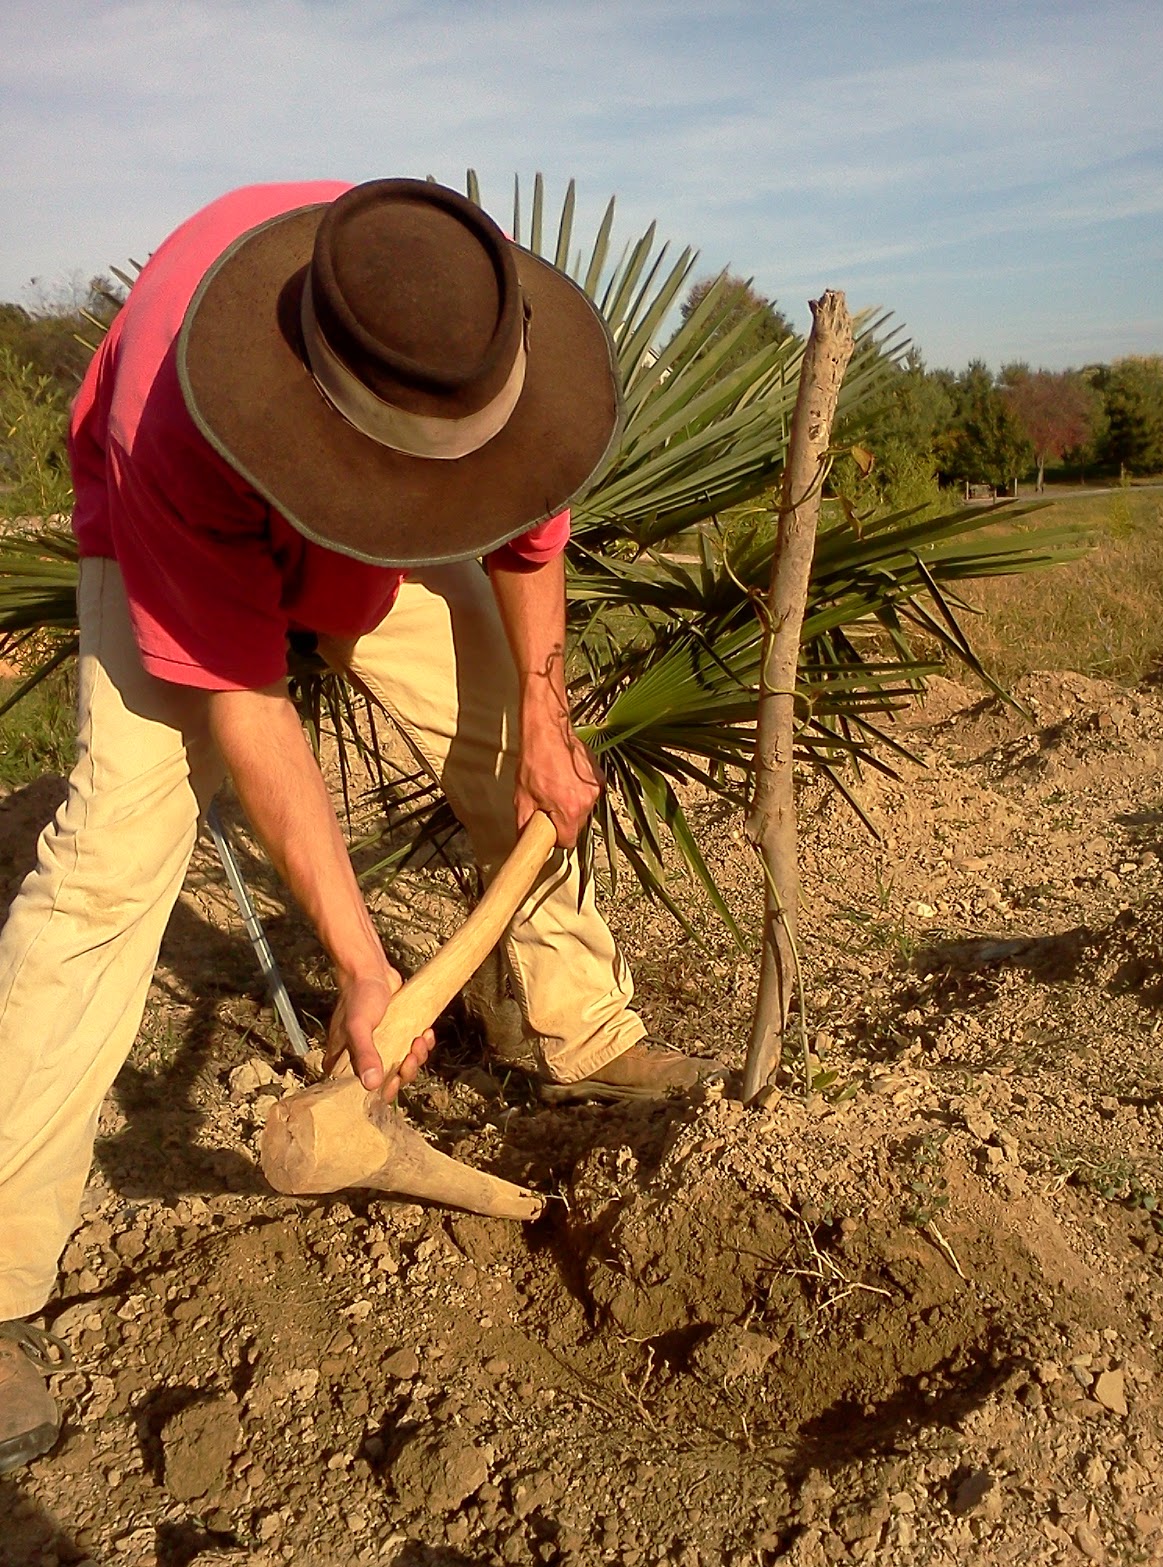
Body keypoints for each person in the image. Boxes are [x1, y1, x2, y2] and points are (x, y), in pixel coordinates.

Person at [0, 178, 709, 1474]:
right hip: (193, 507)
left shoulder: (487, 343)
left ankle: (580, 1029)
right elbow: (246, 707)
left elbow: (527, 549)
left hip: (394, 490)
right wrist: (365, 967)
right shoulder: (181, 409)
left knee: (504, 742)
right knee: (109, 859)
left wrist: (546, 711)